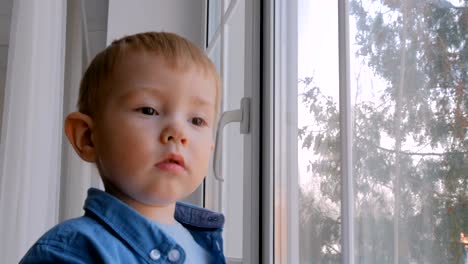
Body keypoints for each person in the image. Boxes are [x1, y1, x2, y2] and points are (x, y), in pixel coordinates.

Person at [20, 32, 225, 263]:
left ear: (210, 148)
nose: (178, 133)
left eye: (197, 120)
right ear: (88, 137)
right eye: (148, 110)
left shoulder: (206, 247)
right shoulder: (71, 251)